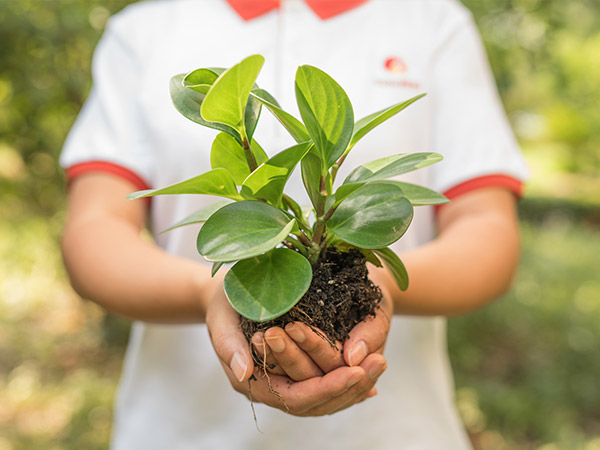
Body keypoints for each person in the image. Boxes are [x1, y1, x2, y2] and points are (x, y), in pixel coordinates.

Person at [60, 0, 529, 449]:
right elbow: (95, 229)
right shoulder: (144, 30)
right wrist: (209, 292)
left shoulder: (432, 22)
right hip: (180, 428)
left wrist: (380, 283)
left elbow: (489, 231)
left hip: (393, 431)